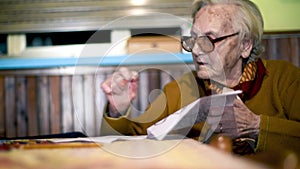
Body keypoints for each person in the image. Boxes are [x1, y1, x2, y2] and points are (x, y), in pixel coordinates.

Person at [101, 0, 300, 155]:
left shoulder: (284, 79)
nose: (196, 50)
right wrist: (118, 109)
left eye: (209, 40)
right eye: (193, 39)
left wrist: (256, 127)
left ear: (245, 45)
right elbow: (132, 142)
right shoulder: (180, 89)